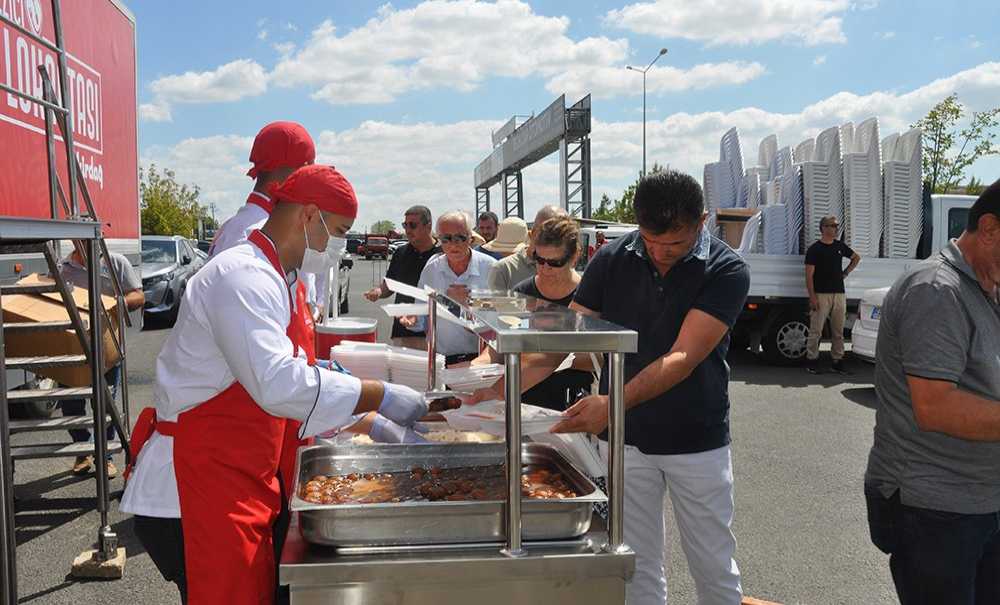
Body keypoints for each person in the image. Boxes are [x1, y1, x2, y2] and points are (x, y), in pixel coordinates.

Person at [120, 165, 429, 604]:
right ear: (308, 216)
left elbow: (292, 369)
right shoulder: (241, 276)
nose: (338, 246)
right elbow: (278, 383)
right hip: (195, 484)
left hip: (237, 475)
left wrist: (365, 415)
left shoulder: (278, 276)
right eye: (338, 231)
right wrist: (378, 395)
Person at [552, 170, 749, 605]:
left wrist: (611, 406)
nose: (660, 253)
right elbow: (569, 334)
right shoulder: (613, 257)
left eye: (674, 245)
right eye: (650, 241)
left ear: (701, 222)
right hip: (626, 441)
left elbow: (684, 356)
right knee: (635, 564)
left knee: (713, 563)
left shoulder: (726, 269)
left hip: (695, 439)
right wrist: (500, 379)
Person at [864, 179, 1000, 605]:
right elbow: (936, 407)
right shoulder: (937, 290)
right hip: (936, 509)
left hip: (981, 499)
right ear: (991, 229)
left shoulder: (987, 287)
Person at [472, 216, 594, 410]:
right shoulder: (523, 292)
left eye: (555, 263)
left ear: (574, 256)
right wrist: (478, 366)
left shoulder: (588, 297)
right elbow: (500, 342)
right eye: (539, 259)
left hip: (569, 401)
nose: (545, 269)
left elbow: (597, 360)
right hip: (522, 398)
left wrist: (553, 357)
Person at [58, 247, 144, 478]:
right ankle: (83, 450)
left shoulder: (115, 262)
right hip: (73, 349)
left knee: (105, 405)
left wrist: (113, 305)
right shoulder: (62, 267)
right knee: (71, 405)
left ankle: (104, 456)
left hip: (107, 347)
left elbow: (138, 296)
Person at [400, 211, 496, 366]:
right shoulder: (431, 270)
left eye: (460, 238)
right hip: (440, 360)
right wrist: (414, 320)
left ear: (470, 238)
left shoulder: (491, 269)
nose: (453, 244)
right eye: (446, 238)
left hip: (481, 360)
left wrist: (465, 306)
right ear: (439, 240)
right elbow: (422, 314)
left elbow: (496, 329)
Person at [364, 205, 441, 349]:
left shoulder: (442, 254)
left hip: (436, 333)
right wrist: (379, 292)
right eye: (405, 225)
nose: (408, 230)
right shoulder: (400, 253)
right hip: (403, 331)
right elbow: (390, 284)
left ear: (428, 226)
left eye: (413, 225)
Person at [804, 216, 860, 374]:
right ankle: (812, 361)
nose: (836, 228)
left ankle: (837, 361)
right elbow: (808, 276)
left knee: (838, 331)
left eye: (836, 225)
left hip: (839, 294)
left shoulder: (840, 246)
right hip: (821, 294)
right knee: (816, 330)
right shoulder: (815, 249)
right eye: (832, 225)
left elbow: (856, 257)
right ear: (823, 228)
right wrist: (812, 297)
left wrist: (846, 273)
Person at [487, 205, 568, 291]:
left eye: (561, 234)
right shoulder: (503, 270)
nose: (553, 240)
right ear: (532, 234)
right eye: (547, 234)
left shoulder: (567, 268)